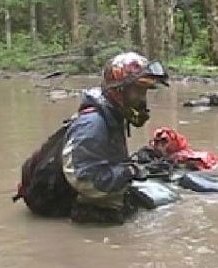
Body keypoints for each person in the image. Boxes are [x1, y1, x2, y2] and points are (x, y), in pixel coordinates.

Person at [62, 52, 169, 223]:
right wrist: (128, 172)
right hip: (94, 213)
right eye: (138, 91)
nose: (142, 99)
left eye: (144, 92)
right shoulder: (93, 122)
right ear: (119, 90)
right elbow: (84, 180)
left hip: (109, 199)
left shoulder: (112, 113)